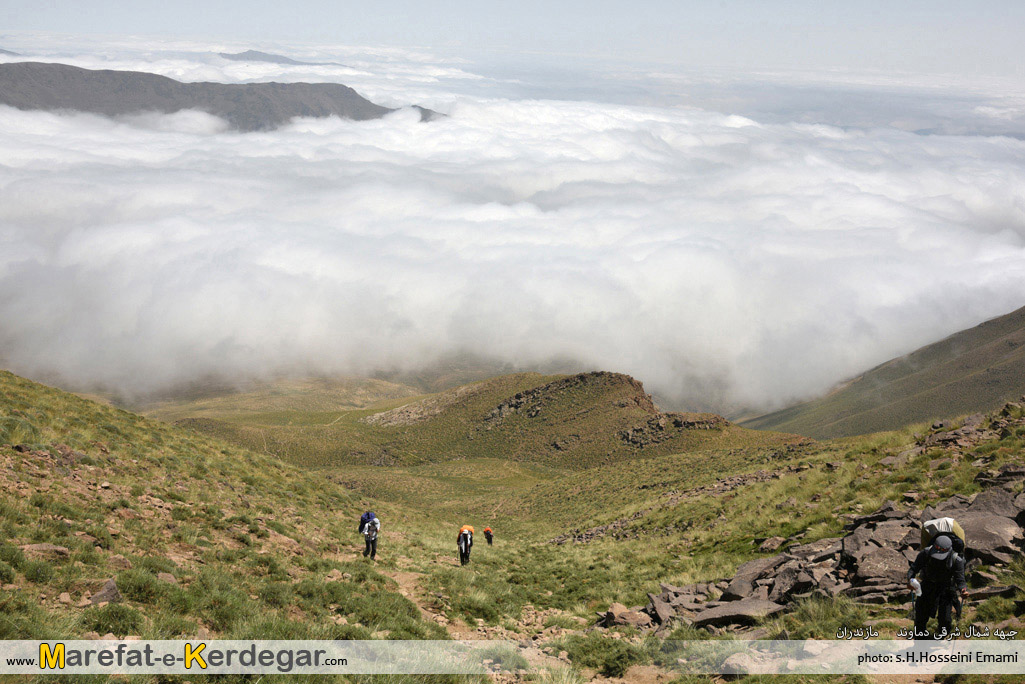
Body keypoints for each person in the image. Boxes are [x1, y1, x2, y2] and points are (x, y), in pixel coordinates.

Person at [906, 535, 967, 638]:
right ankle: (920, 639)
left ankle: (942, 636)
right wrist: (910, 580)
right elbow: (913, 569)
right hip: (927, 586)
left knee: (945, 619)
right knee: (921, 615)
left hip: (946, 589)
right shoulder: (925, 553)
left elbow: (960, 579)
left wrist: (963, 590)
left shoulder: (956, 560)